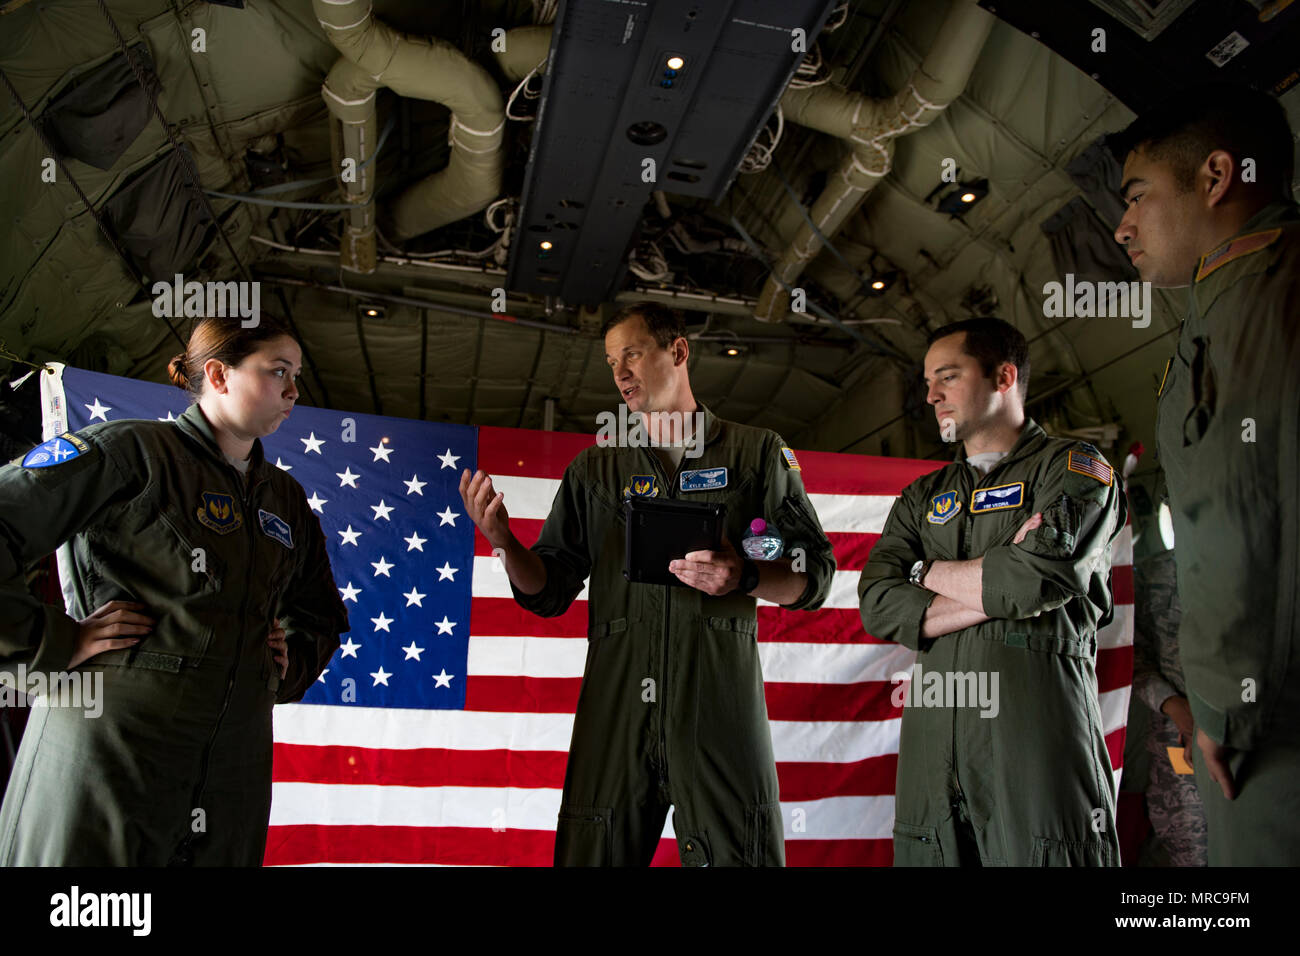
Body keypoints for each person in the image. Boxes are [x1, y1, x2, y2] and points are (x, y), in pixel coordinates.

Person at [459, 302, 836, 866]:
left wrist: (745, 572)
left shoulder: (755, 454)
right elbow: (549, 590)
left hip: (717, 702)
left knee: (740, 849)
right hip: (618, 705)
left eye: (632, 354)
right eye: (612, 361)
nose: (620, 373)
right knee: (595, 848)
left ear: (678, 351)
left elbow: (813, 575)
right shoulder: (596, 471)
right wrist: (505, 542)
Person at [0, 315, 349, 866]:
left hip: (231, 776)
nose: (293, 391)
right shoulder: (128, 454)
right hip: (111, 758)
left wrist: (288, 662)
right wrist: (51, 640)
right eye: (277, 371)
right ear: (217, 374)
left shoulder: (285, 500)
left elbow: (319, 614)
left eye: (297, 375)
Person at [1110, 83, 1300, 865]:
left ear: (1216, 176)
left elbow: (1243, 514)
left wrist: (1225, 709)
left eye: (1138, 198)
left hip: (1272, 721)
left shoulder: (1249, 308)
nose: (1121, 229)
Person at [858, 317, 1127, 866]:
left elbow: (1032, 581)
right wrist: (993, 579)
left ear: (1003, 377)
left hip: (1034, 733)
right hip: (933, 742)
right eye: (928, 381)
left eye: (948, 377)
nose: (931, 395)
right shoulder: (922, 495)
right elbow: (876, 604)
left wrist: (920, 570)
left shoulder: (1076, 470)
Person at [1126, 468, 1207, 867]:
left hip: (1248, 742)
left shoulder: (1254, 574)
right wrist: (1179, 710)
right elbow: (1133, 659)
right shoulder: (1152, 575)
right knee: (1190, 851)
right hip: (1178, 748)